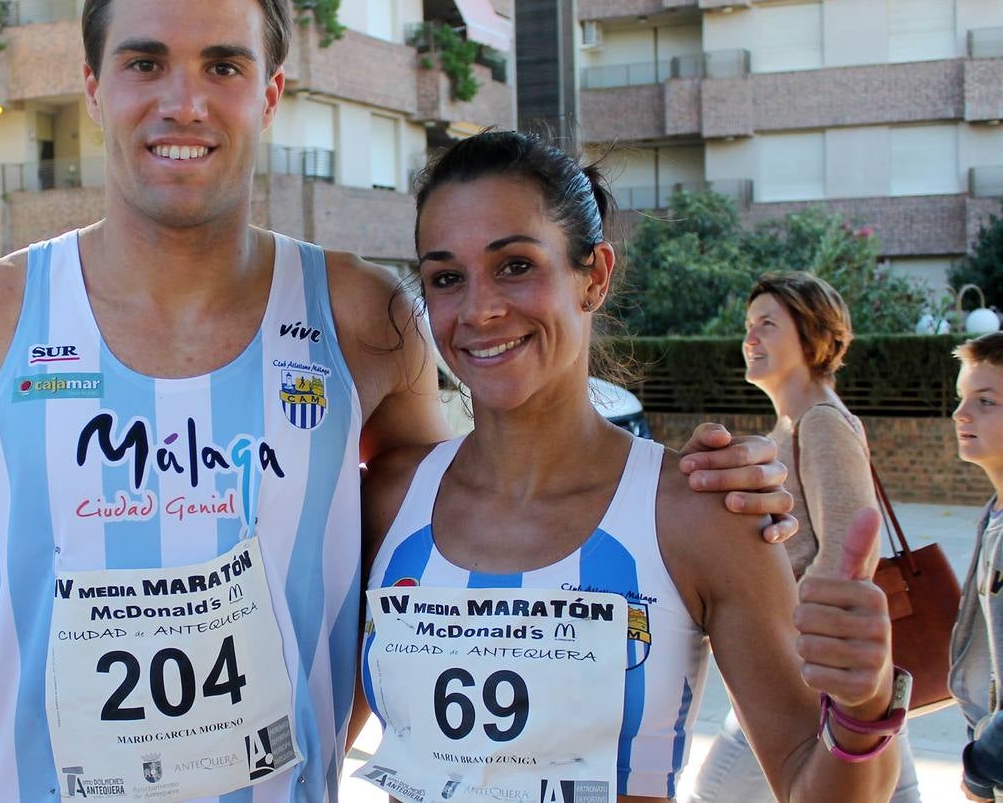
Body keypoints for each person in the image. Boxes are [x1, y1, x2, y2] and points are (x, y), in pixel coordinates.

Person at [0, 0, 794, 801]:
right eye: (145, 62)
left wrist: (688, 495)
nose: (184, 100)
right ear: (93, 87)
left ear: (271, 94)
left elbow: (471, 511)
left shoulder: (367, 319)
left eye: (224, 64)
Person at [357, 132, 905, 802]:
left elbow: (809, 787)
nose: (478, 310)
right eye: (446, 278)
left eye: (516, 266)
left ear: (595, 276)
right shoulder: (389, 500)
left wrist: (864, 705)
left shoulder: (701, 511)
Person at [685, 272, 920, 801]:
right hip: (818, 669)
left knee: (714, 793)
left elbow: (849, 551)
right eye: (748, 325)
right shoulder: (792, 427)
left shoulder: (820, 422)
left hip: (807, 672)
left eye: (767, 323)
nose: (750, 337)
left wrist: (781, 629)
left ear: (812, 334)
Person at [948, 331, 1003, 802]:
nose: (961, 414)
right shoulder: (995, 512)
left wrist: (980, 770)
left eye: (986, 401)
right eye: (962, 398)